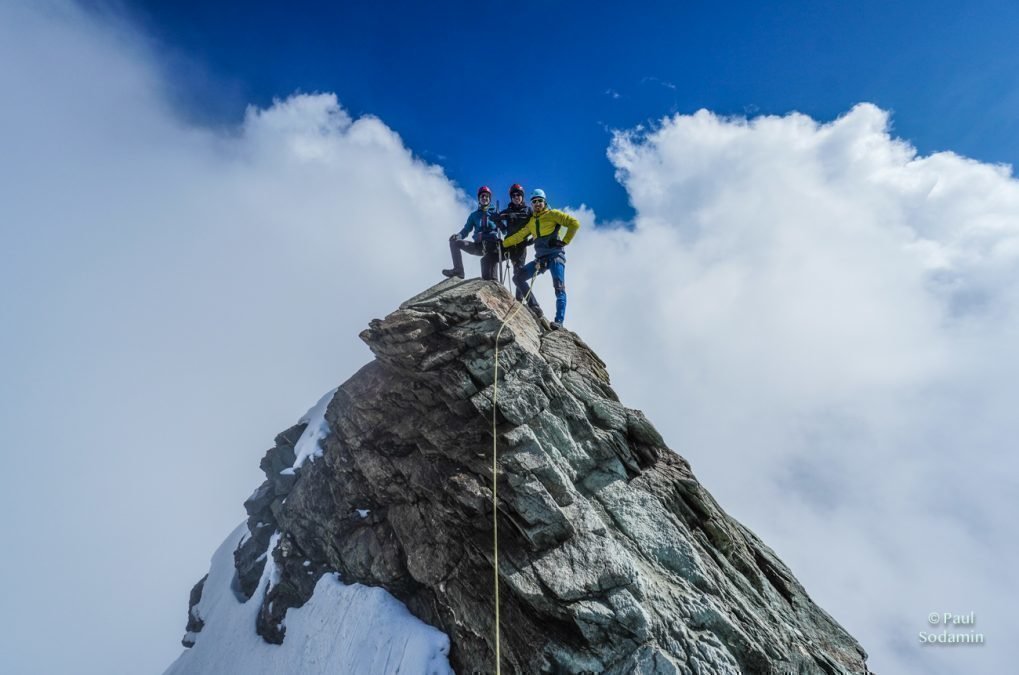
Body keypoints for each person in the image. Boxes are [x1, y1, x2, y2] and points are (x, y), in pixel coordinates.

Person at [501, 188, 580, 329]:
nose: (537, 204)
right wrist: (503, 244)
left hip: (556, 256)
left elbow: (574, 223)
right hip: (541, 260)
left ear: (544, 202)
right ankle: (535, 306)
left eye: (540, 201)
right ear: (531, 204)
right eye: (534, 201)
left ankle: (559, 322)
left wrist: (564, 242)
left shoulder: (553, 214)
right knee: (517, 278)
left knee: (559, 288)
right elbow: (519, 236)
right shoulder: (532, 222)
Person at [442, 186, 503, 280]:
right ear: (479, 199)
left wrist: (499, 222)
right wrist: (458, 236)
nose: (484, 198)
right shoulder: (474, 216)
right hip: (478, 246)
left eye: (486, 196)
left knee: (489, 278)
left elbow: (504, 230)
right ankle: (459, 270)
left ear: (489, 198)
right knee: (455, 242)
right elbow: (466, 230)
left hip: (492, 248)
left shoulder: (496, 213)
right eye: (482, 196)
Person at [497, 184, 533, 300]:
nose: (516, 197)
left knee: (519, 273)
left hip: (521, 247)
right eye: (513, 195)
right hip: (509, 245)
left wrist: (533, 239)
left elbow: (536, 223)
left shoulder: (529, 211)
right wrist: (500, 225)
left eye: (518, 195)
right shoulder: (507, 211)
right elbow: (499, 223)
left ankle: (519, 299)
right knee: (491, 258)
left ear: (522, 196)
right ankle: (492, 283)